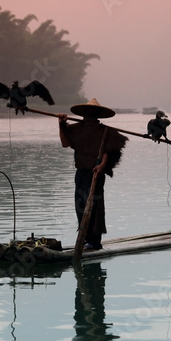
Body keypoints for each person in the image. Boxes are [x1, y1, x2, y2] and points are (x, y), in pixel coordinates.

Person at [58, 98, 127, 251]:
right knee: (80, 205)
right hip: (81, 173)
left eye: (92, 113)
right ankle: (84, 238)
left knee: (94, 206)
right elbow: (65, 143)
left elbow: (108, 150)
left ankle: (94, 242)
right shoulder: (77, 129)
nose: (88, 116)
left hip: (95, 173)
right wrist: (62, 124)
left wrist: (102, 165)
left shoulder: (104, 131)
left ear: (96, 115)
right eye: (87, 113)